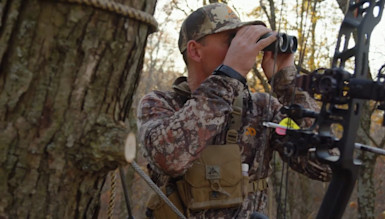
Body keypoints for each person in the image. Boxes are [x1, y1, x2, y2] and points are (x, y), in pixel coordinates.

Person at [137, 3, 331, 219]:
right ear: (195, 50)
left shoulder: (260, 109)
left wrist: (286, 84)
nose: (243, 47)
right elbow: (170, 158)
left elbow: (325, 165)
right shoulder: (161, 104)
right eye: (232, 41)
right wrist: (230, 74)